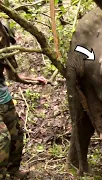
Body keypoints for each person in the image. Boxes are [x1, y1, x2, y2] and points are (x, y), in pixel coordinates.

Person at [0, 21, 47, 179]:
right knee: (3, 139)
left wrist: (34, 80)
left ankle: (12, 172)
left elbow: (14, 75)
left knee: (17, 134)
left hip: (4, 99)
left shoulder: (5, 50)